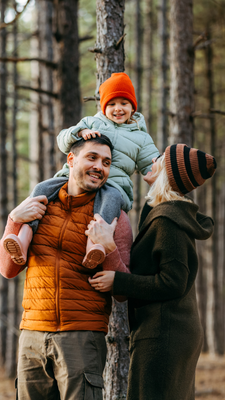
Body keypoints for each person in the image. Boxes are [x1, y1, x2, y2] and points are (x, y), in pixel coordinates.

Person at [0, 135, 133, 399]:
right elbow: (8, 270)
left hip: (82, 338)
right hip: (32, 336)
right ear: (71, 160)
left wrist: (108, 246)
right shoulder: (39, 205)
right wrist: (13, 220)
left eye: (106, 162)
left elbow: (122, 290)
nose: (100, 167)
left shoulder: (115, 218)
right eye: (92, 158)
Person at [88, 144, 216, 400]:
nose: (152, 160)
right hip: (169, 330)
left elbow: (173, 282)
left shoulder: (168, 221)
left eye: (160, 159)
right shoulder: (165, 213)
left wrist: (119, 281)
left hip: (165, 334)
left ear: (168, 173)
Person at [2, 72, 158, 269]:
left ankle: (95, 247)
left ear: (133, 107)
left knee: (107, 207)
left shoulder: (141, 138)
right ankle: (23, 239)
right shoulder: (93, 122)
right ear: (103, 106)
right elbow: (62, 139)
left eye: (124, 103)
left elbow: (151, 162)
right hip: (69, 178)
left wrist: (157, 170)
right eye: (111, 104)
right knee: (42, 188)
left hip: (114, 186)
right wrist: (79, 132)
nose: (118, 109)